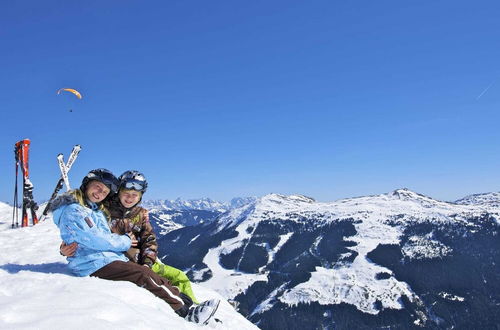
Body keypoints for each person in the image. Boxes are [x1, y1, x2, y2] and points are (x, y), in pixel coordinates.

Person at [51, 168, 219, 325]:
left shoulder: (140, 214)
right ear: (118, 193)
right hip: (113, 259)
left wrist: (148, 261)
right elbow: (88, 235)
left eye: (135, 195)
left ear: (140, 196)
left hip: (130, 259)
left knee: (178, 276)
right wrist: (64, 249)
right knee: (149, 276)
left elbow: (149, 240)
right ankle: (187, 311)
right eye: (126, 193)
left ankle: (192, 305)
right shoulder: (103, 209)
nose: (130, 198)